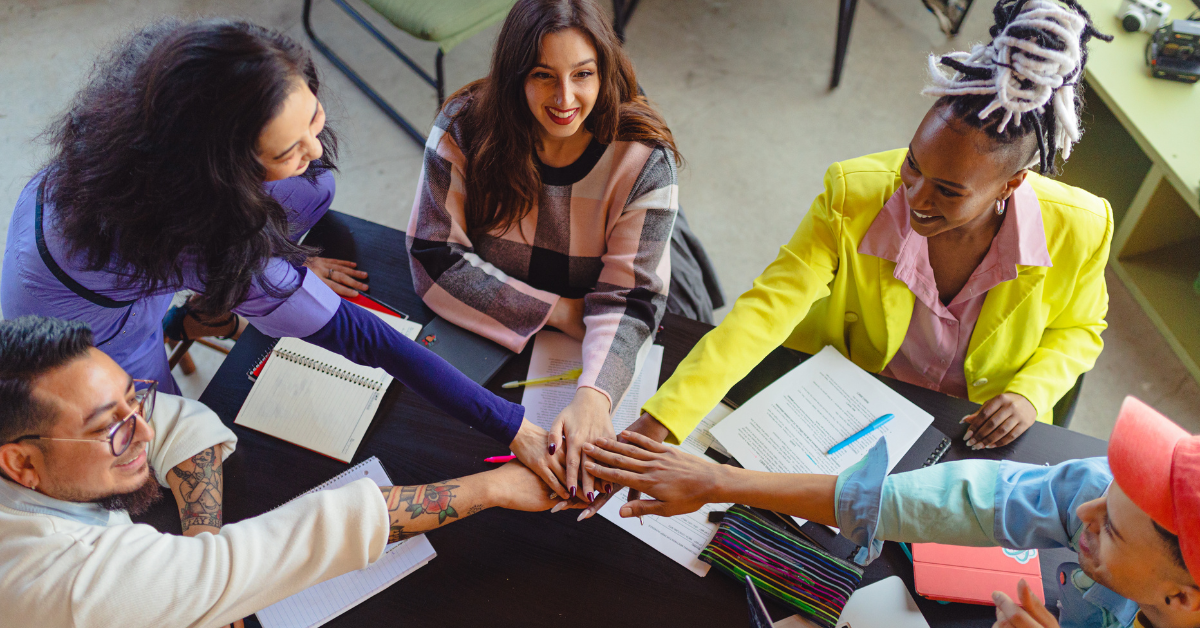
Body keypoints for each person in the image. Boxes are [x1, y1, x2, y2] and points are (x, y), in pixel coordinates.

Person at [0, 19, 564, 496]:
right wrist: (514, 426)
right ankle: (181, 326)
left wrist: (277, 270)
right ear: (221, 175)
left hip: (97, 236)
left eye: (311, 118)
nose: (314, 148)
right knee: (161, 449)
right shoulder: (202, 236)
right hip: (87, 329)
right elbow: (365, 338)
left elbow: (292, 187)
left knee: (313, 188)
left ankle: (196, 310)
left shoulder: (160, 93)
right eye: (286, 148)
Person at [594, 0, 1116, 486]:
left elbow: (1080, 328)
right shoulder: (855, 193)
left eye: (948, 190)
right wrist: (665, 417)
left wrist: (1032, 392)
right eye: (913, 162)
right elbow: (765, 311)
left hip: (970, 437)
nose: (914, 195)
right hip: (849, 408)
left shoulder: (1082, 227)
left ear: (1012, 185)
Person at [0, 316, 574, 627]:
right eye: (112, 428)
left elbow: (179, 419)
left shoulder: (36, 455)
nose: (142, 431)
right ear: (21, 462)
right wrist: (494, 486)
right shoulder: (64, 586)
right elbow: (290, 544)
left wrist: (202, 543)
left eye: (135, 397)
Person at [407, 0, 721, 504]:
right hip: (533, 327)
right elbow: (432, 257)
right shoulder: (464, 125)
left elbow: (631, 299)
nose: (565, 98)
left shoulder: (644, 158)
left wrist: (595, 398)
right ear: (513, 75)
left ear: (606, 71)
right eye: (542, 75)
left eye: (583, 74)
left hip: (610, 308)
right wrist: (557, 311)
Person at [584, 395, 1200, 628]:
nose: (1082, 510)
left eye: (1108, 526)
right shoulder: (1103, 493)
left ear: (1181, 599)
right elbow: (953, 501)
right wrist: (721, 480)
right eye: (1104, 492)